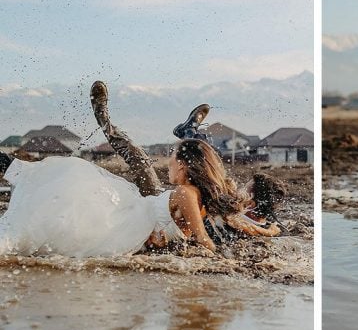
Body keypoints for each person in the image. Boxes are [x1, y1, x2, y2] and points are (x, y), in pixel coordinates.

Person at [0, 80, 280, 257]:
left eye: (172, 158)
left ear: (183, 166)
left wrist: (263, 234)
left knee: (55, 205)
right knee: (126, 161)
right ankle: (105, 118)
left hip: (133, 218)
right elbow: (209, 236)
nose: (168, 163)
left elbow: (210, 235)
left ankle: (189, 131)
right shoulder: (193, 194)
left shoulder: (195, 194)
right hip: (137, 210)